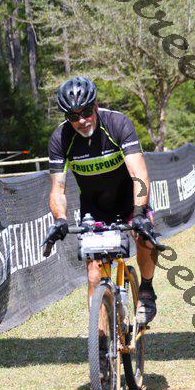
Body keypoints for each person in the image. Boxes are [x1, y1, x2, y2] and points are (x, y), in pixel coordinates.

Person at [47, 76, 158, 325]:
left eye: (86, 112)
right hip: (94, 207)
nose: (82, 120)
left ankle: (146, 290)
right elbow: (57, 189)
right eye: (73, 116)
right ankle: (100, 337)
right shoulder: (60, 138)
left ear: (95, 106)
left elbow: (139, 174)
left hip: (129, 201)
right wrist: (60, 219)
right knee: (93, 274)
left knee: (145, 237)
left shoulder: (117, 124)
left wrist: (139, 213)